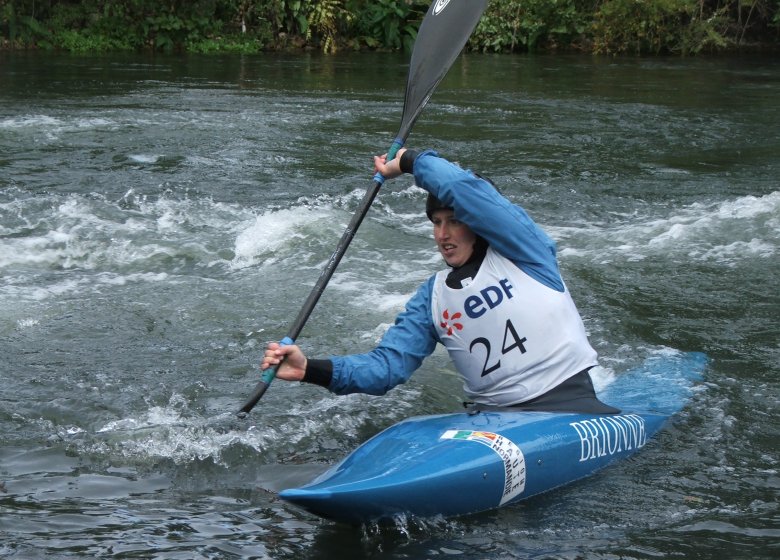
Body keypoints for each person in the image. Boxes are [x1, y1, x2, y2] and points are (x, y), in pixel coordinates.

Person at [261, 148, 618, 414]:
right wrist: (311, 369)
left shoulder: (525, 252)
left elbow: (463, 188)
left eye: (454, 220)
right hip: (495, 422)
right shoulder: (432, 298)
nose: (442, 234)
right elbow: (386, 367)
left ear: (478, 221)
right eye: (436, 222)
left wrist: (408, 161)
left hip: (572, 404)